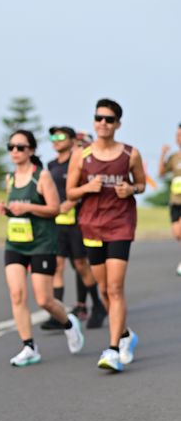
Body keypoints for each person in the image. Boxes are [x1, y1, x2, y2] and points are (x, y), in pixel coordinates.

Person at [67, 98, 146, 372]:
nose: (103, 123)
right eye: (99, 118)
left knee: (115, 288)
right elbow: (70, 192)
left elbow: (142, 184)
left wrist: (131, 190)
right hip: (92, 226)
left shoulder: (130, 154)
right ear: (94, 121)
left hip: (120, 225)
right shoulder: (82, 155)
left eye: (109, 119)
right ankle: (125, 335)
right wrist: (87, 189)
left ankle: (112, 350)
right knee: (103, 290)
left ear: (118, 124)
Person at [0, 129, 84, 366]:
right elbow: (16, 210)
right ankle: (29, 346)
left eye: (20, 147)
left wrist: (29, 208)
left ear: (31, 150)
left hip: (42, 243)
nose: (15, 151)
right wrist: (6, 210)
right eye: (11, 147)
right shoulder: (10, 178)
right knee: (17, 294)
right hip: (15, 243)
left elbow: (55, 209)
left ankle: (69, 323)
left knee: (44, 300)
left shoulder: (42, 176)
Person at [40, 126, 107, 330]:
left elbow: (87, 189)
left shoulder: (78, 162)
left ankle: (97, 305)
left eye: (61, 136)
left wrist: (71, 203)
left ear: (71, 140)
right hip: (57, 224)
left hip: (77, 222)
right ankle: (58, 316)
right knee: (57, 266)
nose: (56, 140)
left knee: (80, 264)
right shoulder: (51, 165)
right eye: (53, 136)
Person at [158, 123, 181, 275]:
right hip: (175, 201)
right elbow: (161, 173)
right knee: (177, 234)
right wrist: (163, 154)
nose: (178, 138)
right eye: (177, 135)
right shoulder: (174, 157)